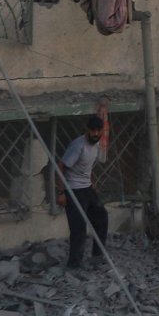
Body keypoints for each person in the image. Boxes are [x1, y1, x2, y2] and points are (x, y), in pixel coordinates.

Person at [58, 115, 109, 270]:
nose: (95, 133)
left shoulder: (98, 144)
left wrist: (92, 182)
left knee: (102, 217)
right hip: (73, 189)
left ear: (101, 131)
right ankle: (74, 264)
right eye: (92, 130)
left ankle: (97, 256)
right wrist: (61, 192)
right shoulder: (78, 146)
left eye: (98, 130)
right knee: (79, 227)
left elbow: (88, 166)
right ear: (87, 130)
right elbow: (60, 167)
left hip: (87, 188)